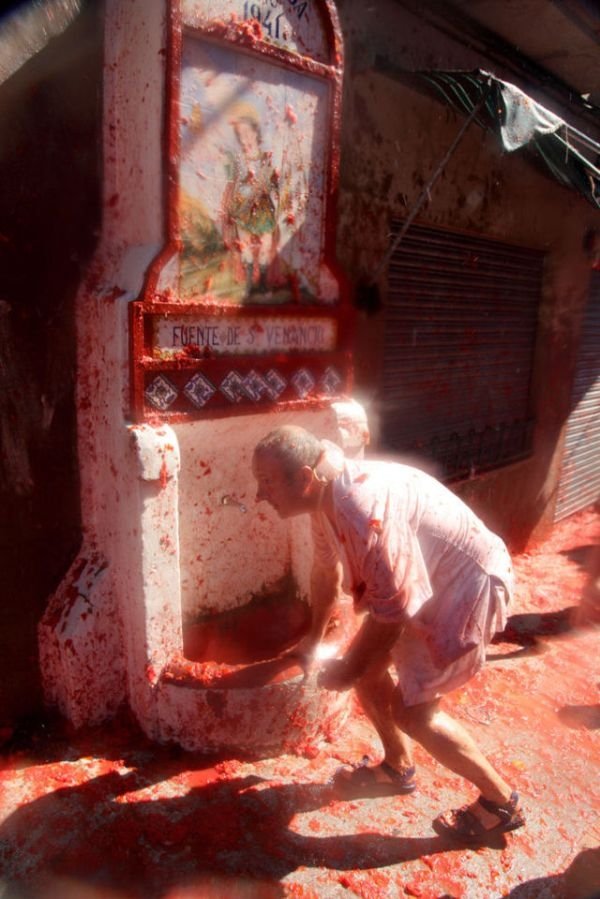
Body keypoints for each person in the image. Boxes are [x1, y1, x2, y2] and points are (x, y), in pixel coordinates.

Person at [252, 424, 525, 843]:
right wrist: (315, 637)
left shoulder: (359, 507)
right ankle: (397, 768)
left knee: (414, 712)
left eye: (266, 483)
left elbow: (393, 611)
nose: (259, 495)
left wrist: (347, 669)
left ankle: (499, 802)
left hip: (467, 587)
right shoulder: (324, 497)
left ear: (304, 477)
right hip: (427, 583)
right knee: (368, 666)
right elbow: (327, 571)